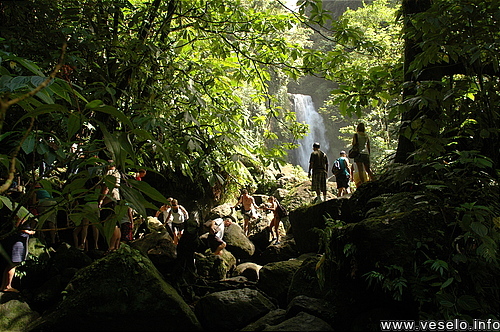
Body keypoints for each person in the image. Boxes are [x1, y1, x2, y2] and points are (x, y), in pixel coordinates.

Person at [1, 216, 35, 292]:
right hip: (18, 243)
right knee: (13, 264)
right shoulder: (21, 216)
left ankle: (3, 286)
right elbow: (18, 227)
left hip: (18, 242)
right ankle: (7, 286)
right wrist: (30, 232)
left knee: (9, 265)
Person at [98, 160, 121, 252]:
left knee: (111, 223)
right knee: (116, 223)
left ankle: (111, 246)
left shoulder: (110, 173)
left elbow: (106, 187)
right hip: (116, 198)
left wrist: (101, 200)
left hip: (109, 198)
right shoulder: (118, 173)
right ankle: (116, 246)